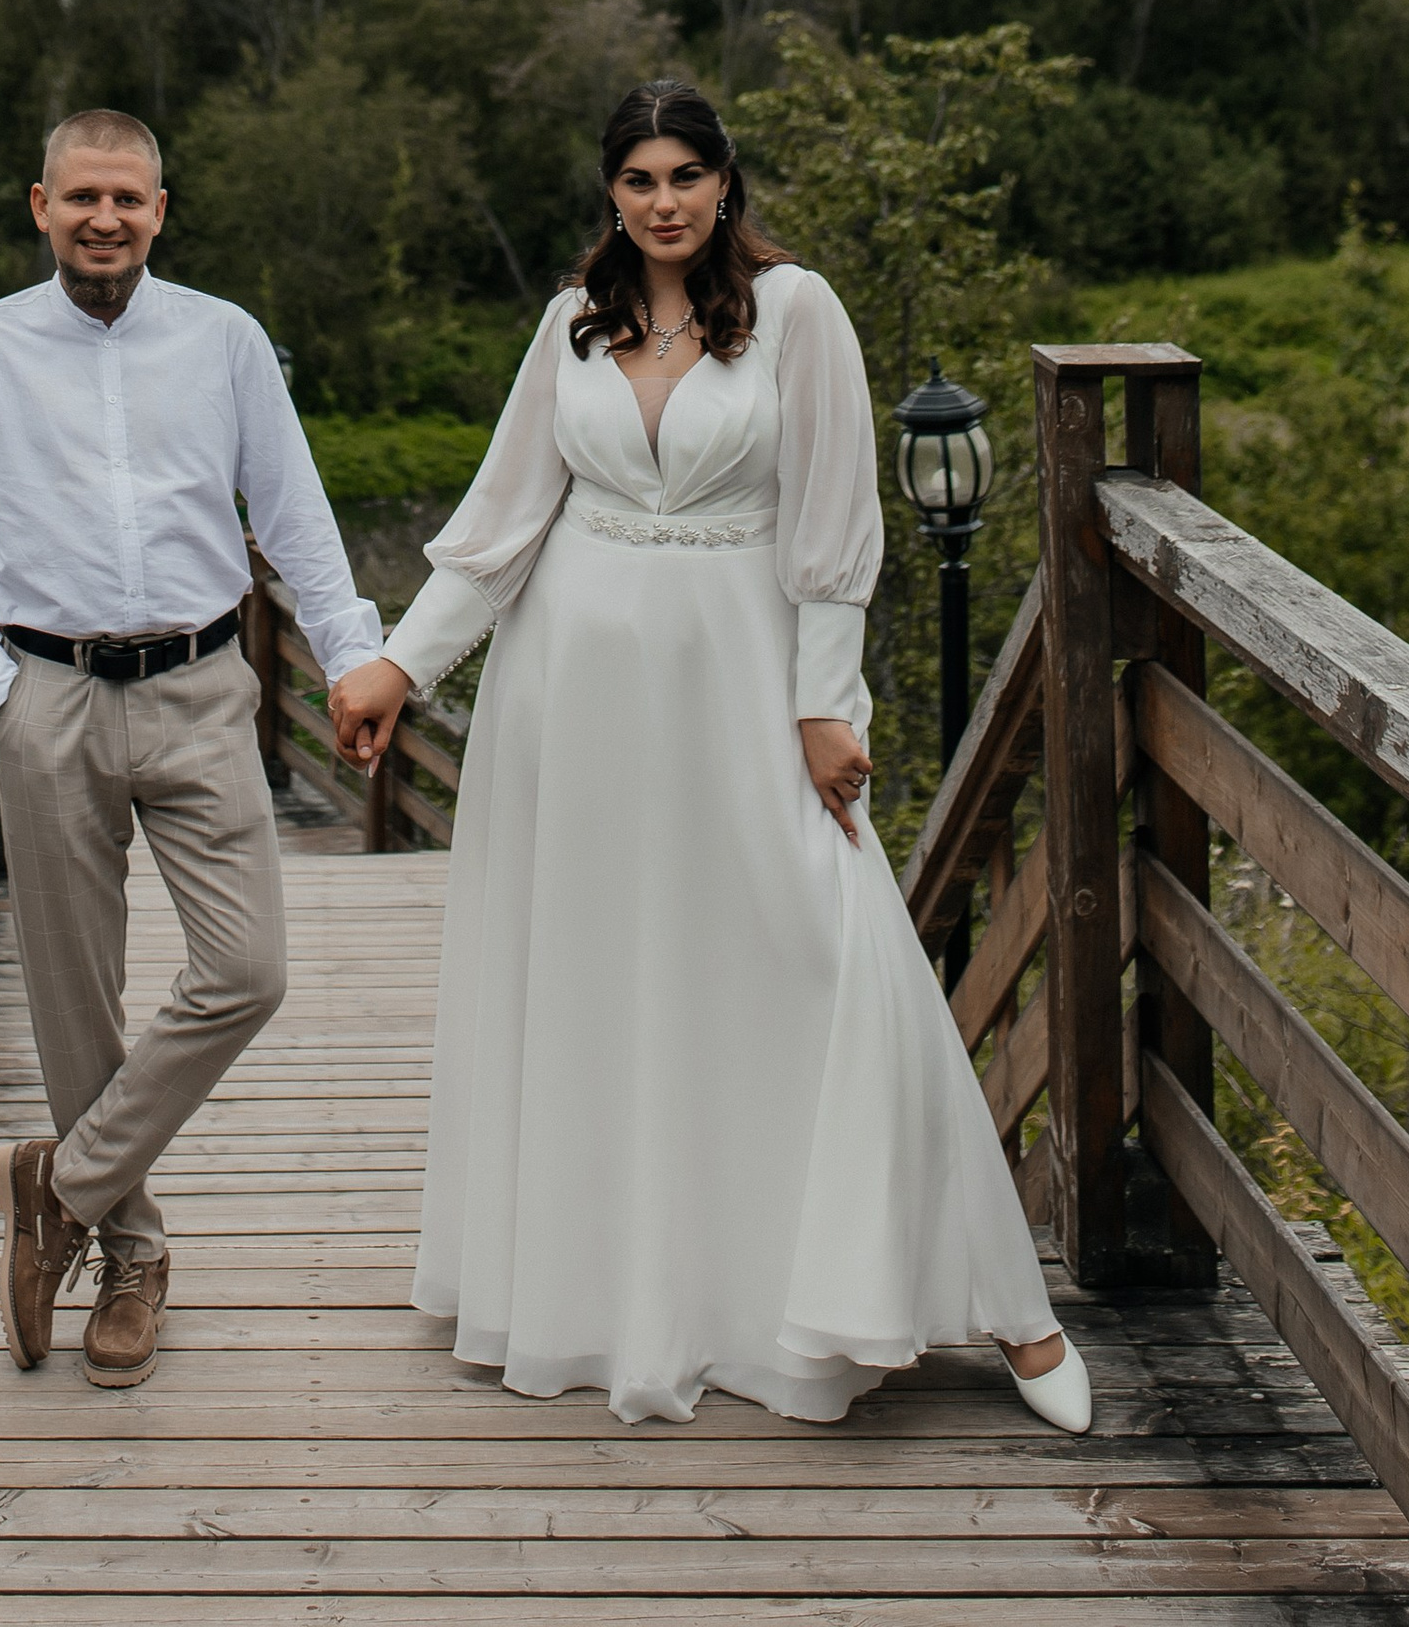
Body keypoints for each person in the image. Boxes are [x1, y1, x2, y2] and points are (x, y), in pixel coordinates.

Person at [328, 77, 1091, 1435]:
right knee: (607, 981)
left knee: (826, 946)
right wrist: (401, 662)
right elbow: (501, 526)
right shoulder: (570, 323)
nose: (664, 201)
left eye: (686, 175)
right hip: (573, 699)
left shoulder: (797, 311)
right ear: (610, 193)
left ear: (726, 182)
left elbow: (835, 520)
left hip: (741, 682)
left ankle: (1005, 1308)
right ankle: (629, 1301)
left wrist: (825, 704)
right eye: (639, 179)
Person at [0, 107, 383, 1391]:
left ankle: (57, 1190)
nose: (103, 218)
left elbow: (295, 514)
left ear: (160, 211)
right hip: (45, 692)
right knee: (75, 1002)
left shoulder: (224, 341)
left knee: (248, 970)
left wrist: (353, 658)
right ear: (41, 206)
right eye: (81, 197)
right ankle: (131, 1254)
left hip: (202, 687)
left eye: (127, 198)